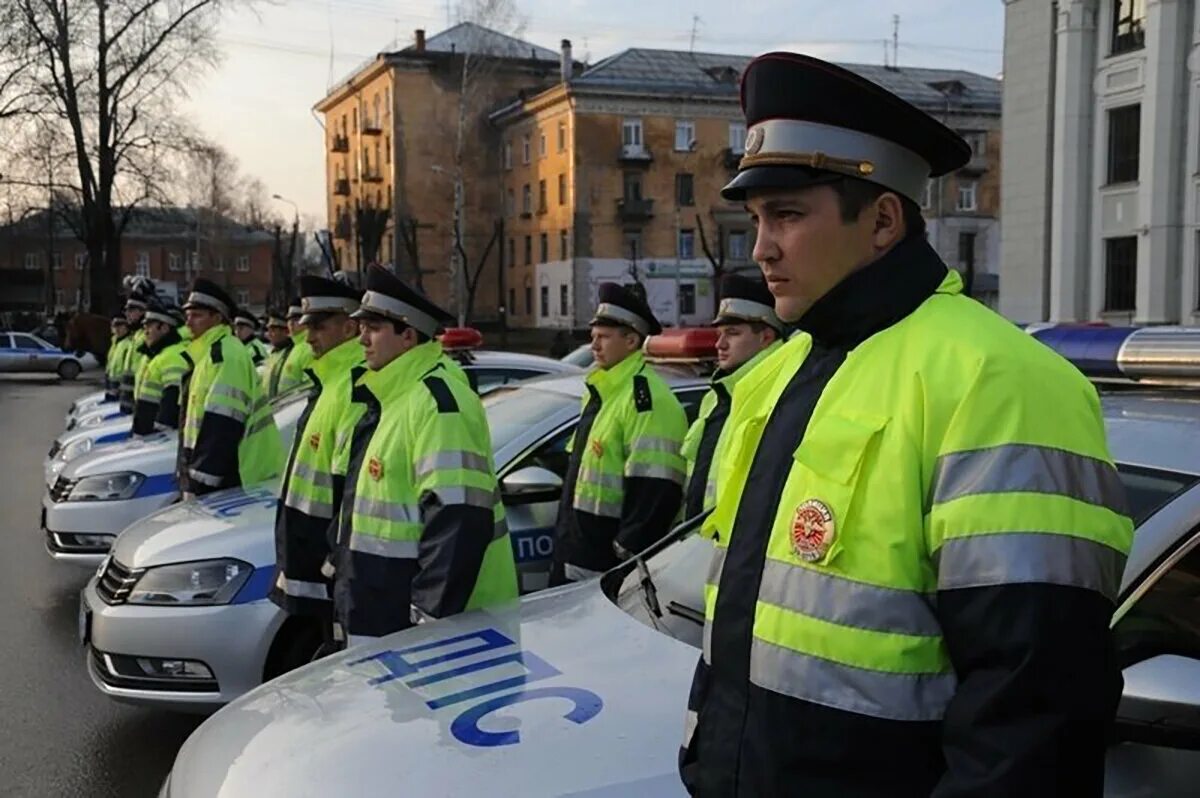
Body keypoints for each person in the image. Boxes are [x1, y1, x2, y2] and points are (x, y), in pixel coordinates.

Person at [679, 53, 1134, 798]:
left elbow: (1035, 712)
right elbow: (744, 632)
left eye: (788, 215)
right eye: (758, 219)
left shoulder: (999, 380)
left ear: (884, 220)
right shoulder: (786, 370)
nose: (761, 248)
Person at [330, 265, 516, 647]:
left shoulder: (437, 402)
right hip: (383, 608)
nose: (361, 339)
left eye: (374, 328)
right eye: (362, 327)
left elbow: (459, 519)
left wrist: (429, 619)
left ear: (408, 336)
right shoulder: (392, 396)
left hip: (430, 629)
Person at [551, 282, 688, 585]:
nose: (594, 346)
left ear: (630, 341)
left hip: (606, 566)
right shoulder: (604, 391)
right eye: (593, 337)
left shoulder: (647, 401)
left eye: (603, 337)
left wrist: (623, 555)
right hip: (578, 552)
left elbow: (656, 491)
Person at [269, 275, 365, 656]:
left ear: (350, 325)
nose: (308, 337)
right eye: (307, 327)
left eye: (319, 326)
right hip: (314, 560)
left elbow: (350, 491)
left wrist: (332, 560)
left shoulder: (353, 386)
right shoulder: (331, 380)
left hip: (329, 565)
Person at [680, 275, 782, 520]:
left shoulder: (779, 393)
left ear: (766, 337)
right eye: (719, 333)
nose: (720, 344)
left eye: (732, 333)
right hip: (696, 542)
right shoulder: (715, 397)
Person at [178, 278, 284, 499]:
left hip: (237, 476)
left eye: (197, 315)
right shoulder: (209, 355)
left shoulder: (225, 355)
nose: (188, 322)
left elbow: (223, 423)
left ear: (218, 318)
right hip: (226, 473)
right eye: (188, 315)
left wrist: (199, 482)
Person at [130, 301, 189, 436]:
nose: (145, 332)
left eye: (150, 326)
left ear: (165, 328)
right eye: (144, 326)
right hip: (150, 436)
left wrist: (158, 436)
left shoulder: (173, 356)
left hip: (159, 438)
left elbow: (171, 407)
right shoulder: (162, 355)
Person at [116, 285, 152, 414]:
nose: (127, 314)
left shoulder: (145, 337)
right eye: (126, 310)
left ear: (142, 311)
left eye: (131, 310)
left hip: (137, 402)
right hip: (129, 401)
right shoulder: (135, 336)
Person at [278, 298, 314, 395]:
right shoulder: (296, 346)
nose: (291, 324)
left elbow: (309, 386)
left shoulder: (309, 347)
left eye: (296, 319)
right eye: (289, 319)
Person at [261, 309, 293, 398]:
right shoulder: (273, 354)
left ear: (285, 332)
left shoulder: (291, 353)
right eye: (268, 330)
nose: (269, 334)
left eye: (273, 330)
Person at [104, 315, 131, 402]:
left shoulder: (128, 343)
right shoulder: (114, 342)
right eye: (115, 326)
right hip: (111, 382)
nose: (117, 329)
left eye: (120, 326)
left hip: (121, 383)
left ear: (126, 327)